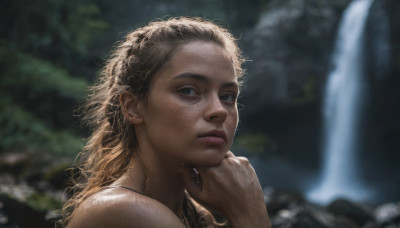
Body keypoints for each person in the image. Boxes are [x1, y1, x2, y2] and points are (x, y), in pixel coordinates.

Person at [62, 17, 270, 228]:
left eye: (227, 96)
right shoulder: (128, 211)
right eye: (188, 91)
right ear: (133, 106)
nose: (219, 111)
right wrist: (250, 213)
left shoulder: (189, 215)